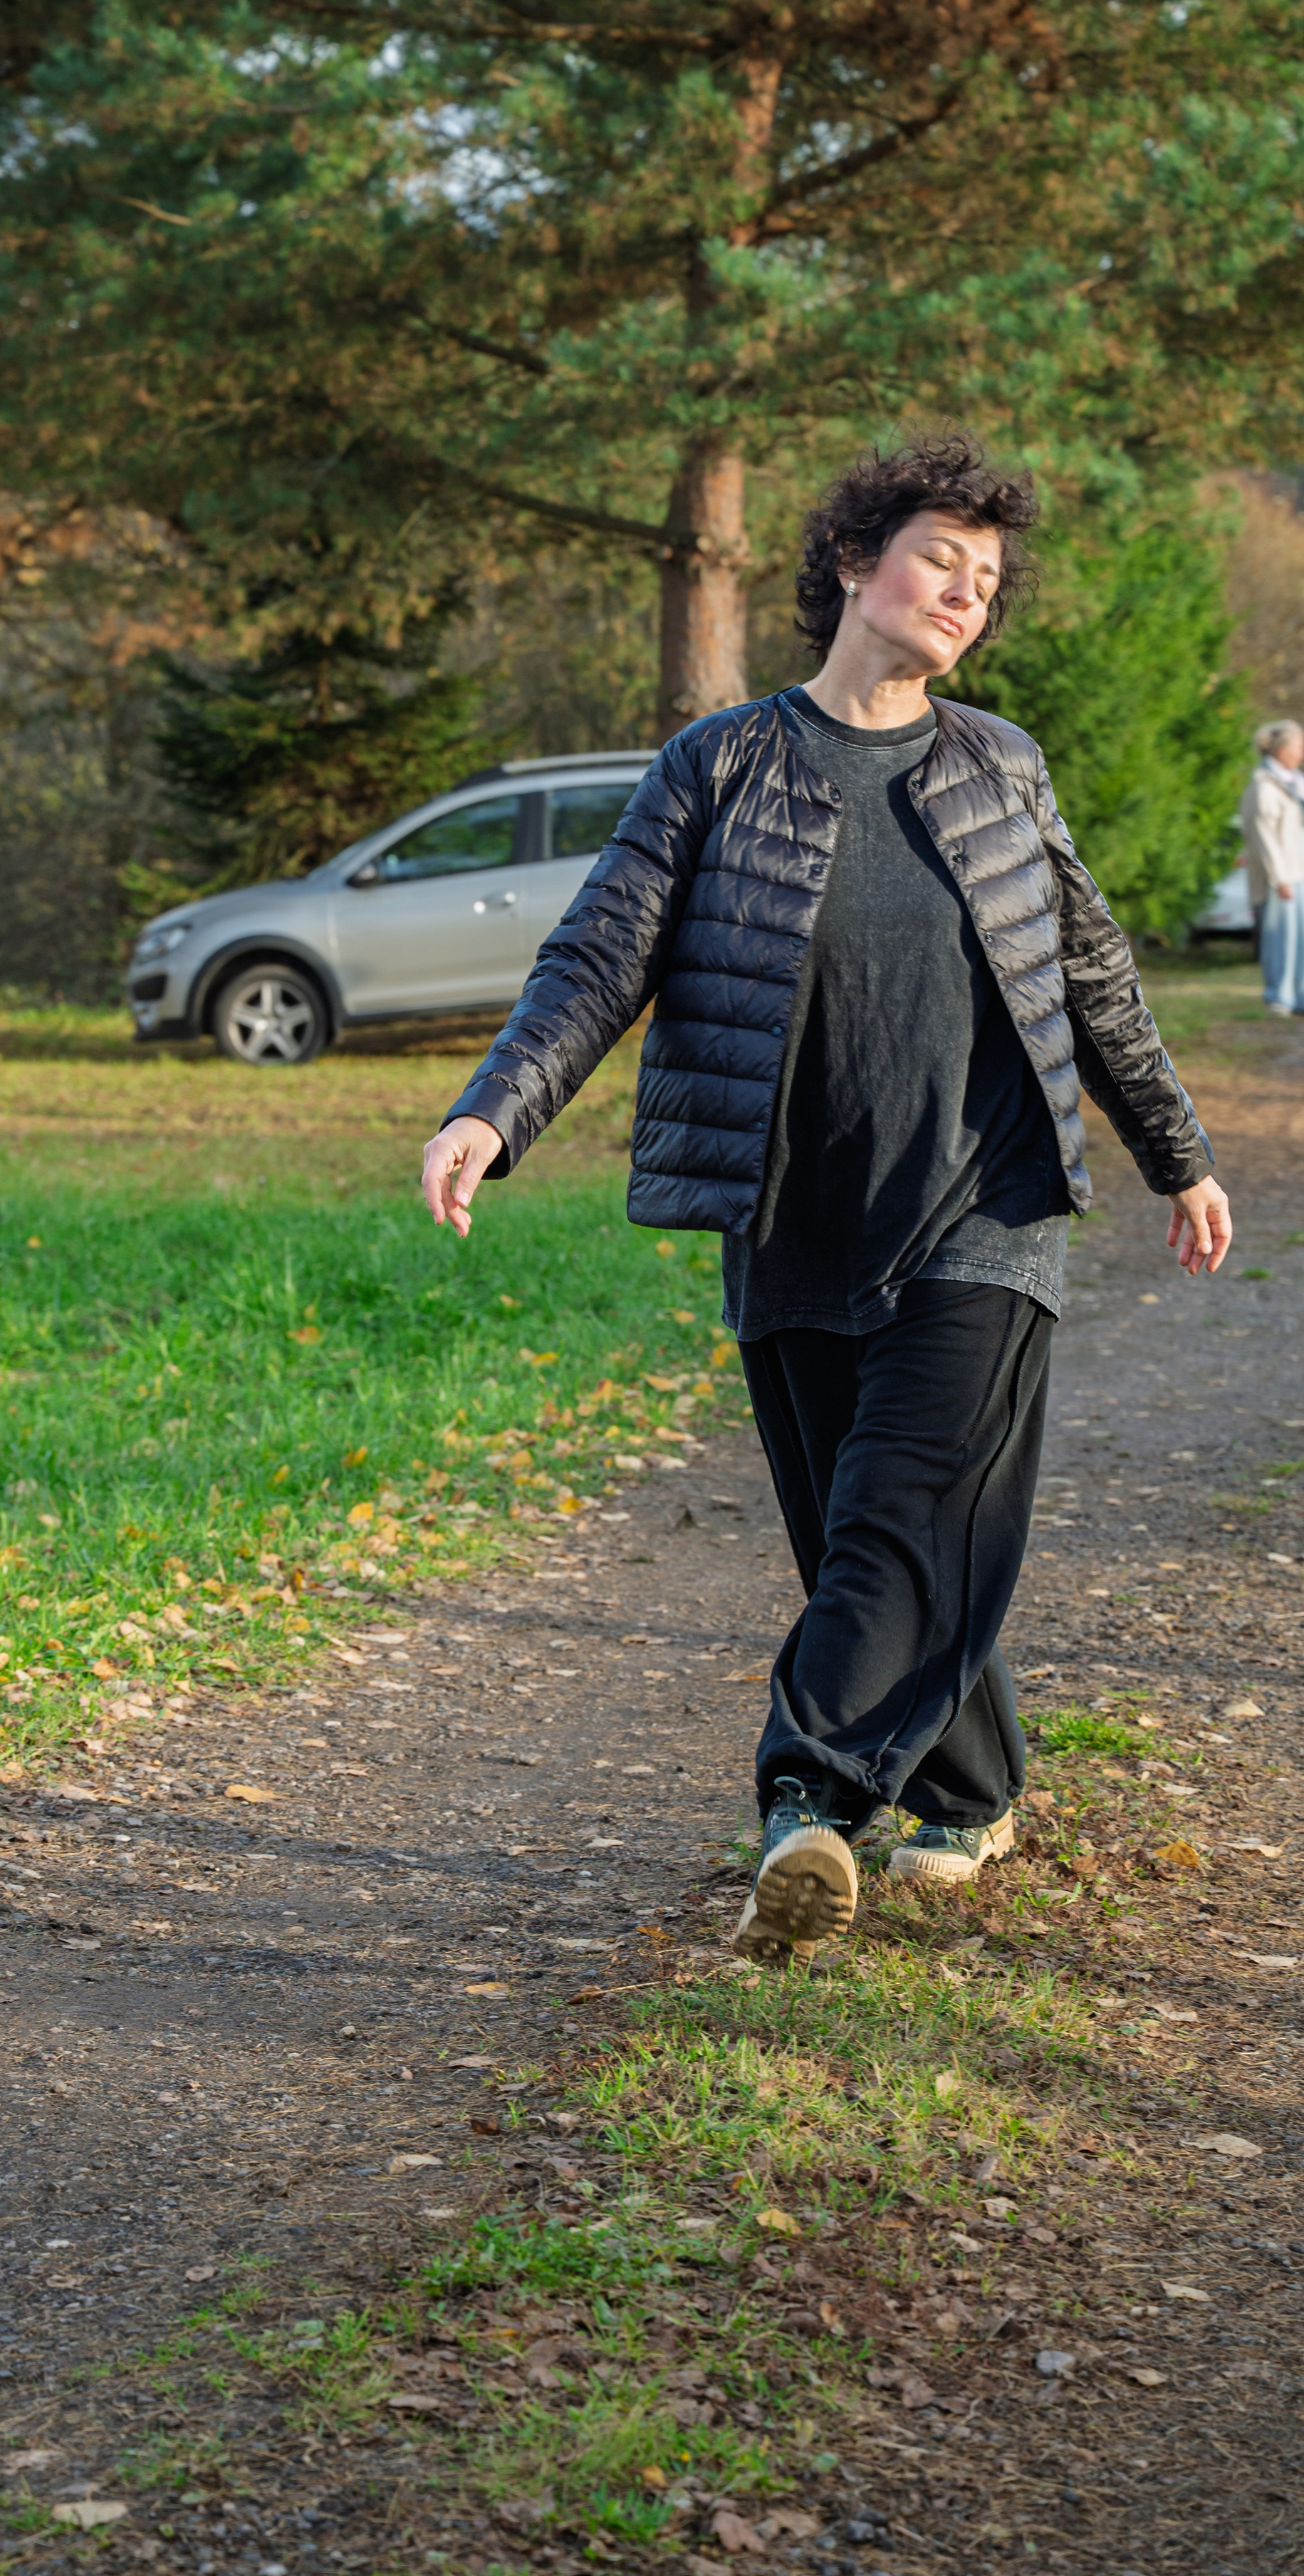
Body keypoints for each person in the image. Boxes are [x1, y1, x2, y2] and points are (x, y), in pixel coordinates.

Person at [419, 435, 1231, 1958]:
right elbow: (597, 956)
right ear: (854, 562)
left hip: (986, 1207)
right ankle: (971, 1787)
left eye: (987, 582)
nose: (963, 595)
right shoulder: (716, 763)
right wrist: (490, 1113)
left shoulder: (998, 765)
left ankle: (803, 1804)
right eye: (940, 558)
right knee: (868, 1532)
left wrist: (1171, 1149)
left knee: (896, 1512)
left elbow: (1088, 968)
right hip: (789, 1214)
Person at [1238, 719, 1304, 1017]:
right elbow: (1263, 836)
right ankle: (1279, 996)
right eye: (1298, 747)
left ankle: (1299, 996)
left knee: (1300, 939)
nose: (1301, 753)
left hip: (1299, 871)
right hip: (1280, 878)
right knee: (1281, 938)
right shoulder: (1262, 786)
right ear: (1281, 750)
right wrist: (1280, 879)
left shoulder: (1295, 782)